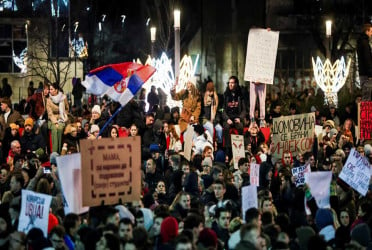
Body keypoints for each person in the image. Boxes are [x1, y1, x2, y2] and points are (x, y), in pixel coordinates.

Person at [222, 76, 246, 148]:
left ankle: (240, 148)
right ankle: (228, 149)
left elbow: (244, 110)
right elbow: (222, 110)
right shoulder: (225, 95)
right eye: (229, 83)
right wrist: (227, 119)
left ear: (236, 84)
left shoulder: (240, 96)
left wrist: (240, 118)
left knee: (240, 127)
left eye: (232, 83)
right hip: (228, 118)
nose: (230, 84)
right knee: (226, 127)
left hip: (237, 118)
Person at [46, 82, 69, 153]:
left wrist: (64, 116)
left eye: (51, 89)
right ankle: (55, 152)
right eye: (50, 89)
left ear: (56, 90)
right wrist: (55, 122)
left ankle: (59, 152)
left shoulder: (63, 97)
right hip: (52, 119)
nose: (50, 91)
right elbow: (50, 113)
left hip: (62, 118)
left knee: (59, 129)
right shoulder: (49, 100)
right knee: (54, 129)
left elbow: (67, 108)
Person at [357, 23, 372, 101]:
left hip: (362, 73)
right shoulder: (365, 43)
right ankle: (366, 114)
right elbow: (367, 59)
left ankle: (365, 113)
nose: (371, 33)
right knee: (367, 98)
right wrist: (370, 73)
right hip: (366, 74)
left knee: (366, 96)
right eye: (371, 31)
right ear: (367, 31)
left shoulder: (360, 42)